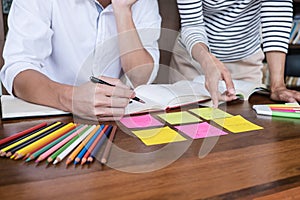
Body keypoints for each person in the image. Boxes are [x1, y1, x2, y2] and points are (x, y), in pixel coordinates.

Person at [0, 0, 161, 120]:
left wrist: (123, 10)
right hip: (51, 118)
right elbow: (17, 70)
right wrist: (70, 98)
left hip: (111, 121)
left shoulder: (142, 2)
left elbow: (141, 77)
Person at [170, 0, 300, 107]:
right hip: (195, 62)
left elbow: (275, 17)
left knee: (246, 131)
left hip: (246, 63)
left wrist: (277, 85)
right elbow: (192, 24)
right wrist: (207, 61)